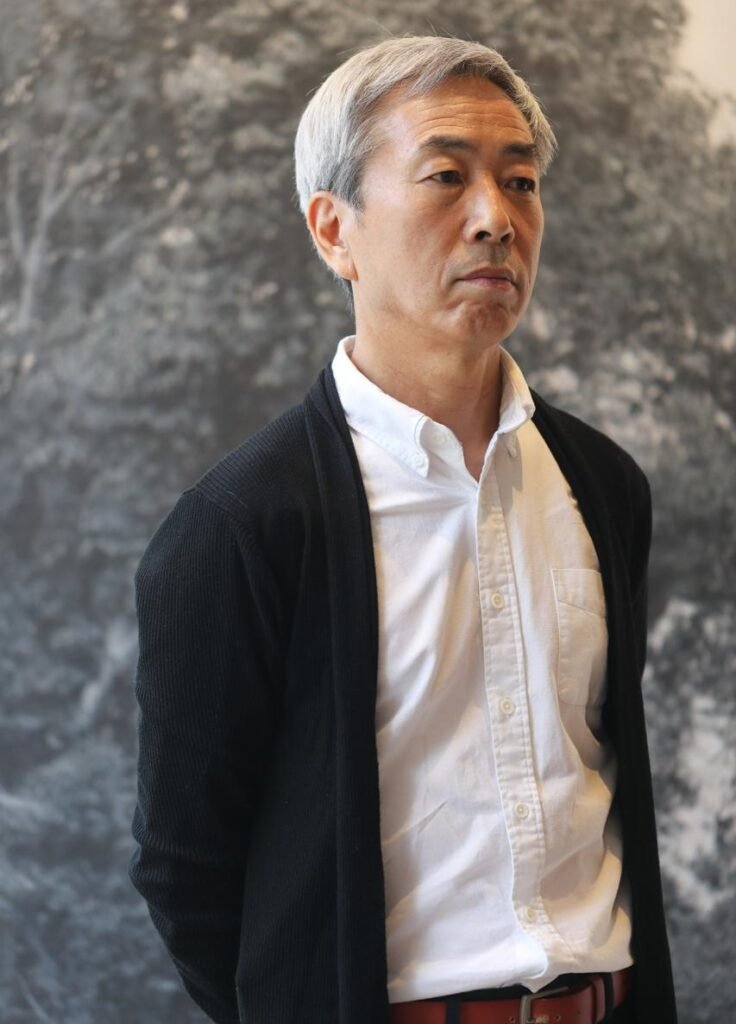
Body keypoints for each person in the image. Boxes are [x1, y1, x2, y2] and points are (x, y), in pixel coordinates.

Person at [128, 34, 678, 1024]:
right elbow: (186, 869)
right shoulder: (239, 527)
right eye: (445, 177)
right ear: (334, 230)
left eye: (521, 182)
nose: (496, 219)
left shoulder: (602, 486)